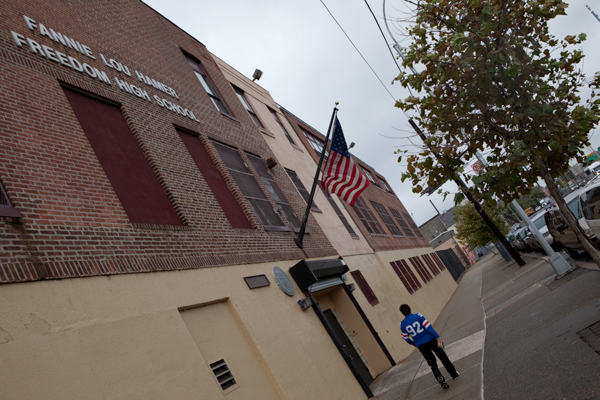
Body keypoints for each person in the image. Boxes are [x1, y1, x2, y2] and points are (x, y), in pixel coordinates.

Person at [399, 304, 459, 389]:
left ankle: (439, 376)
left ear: (402, 313)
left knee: (432, 363)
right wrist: (438, 336)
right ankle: (454, 374)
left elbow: (405, 338)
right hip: (431, 340)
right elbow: (428, 327)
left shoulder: (402, 324)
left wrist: (414, 343)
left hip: (421, 345)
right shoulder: (418, 315)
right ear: (410, 309)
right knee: (443, 357)